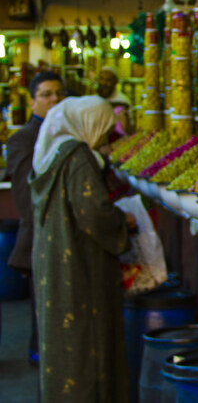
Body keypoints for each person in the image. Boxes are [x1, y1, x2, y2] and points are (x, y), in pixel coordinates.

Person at [29, 96, 136, 403]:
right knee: (87, 339)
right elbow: (94, 212)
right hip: (79, 264)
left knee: (63, 340)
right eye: (102, 128)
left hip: (56, 262)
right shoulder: (78, 157)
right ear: (86, 124)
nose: (104, 137)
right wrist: (122, 221)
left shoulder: (53, 153)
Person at [5, 70, 65, 366]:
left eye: (58, 94)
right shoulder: (23, 140)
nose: (54, 100)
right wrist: (50, 228)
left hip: (65, 234)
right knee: (44, 304)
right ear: (32, 102)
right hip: (42, 233)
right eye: (46, 94)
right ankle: (41, 356)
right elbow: (24, 196)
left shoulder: (67, 134)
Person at [97, 66, 132, 136]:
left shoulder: (123, 101)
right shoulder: (94, 99)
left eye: (108, 80)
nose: (104, 83)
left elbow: (129, 127)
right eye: (101, 79)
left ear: (115, 82)